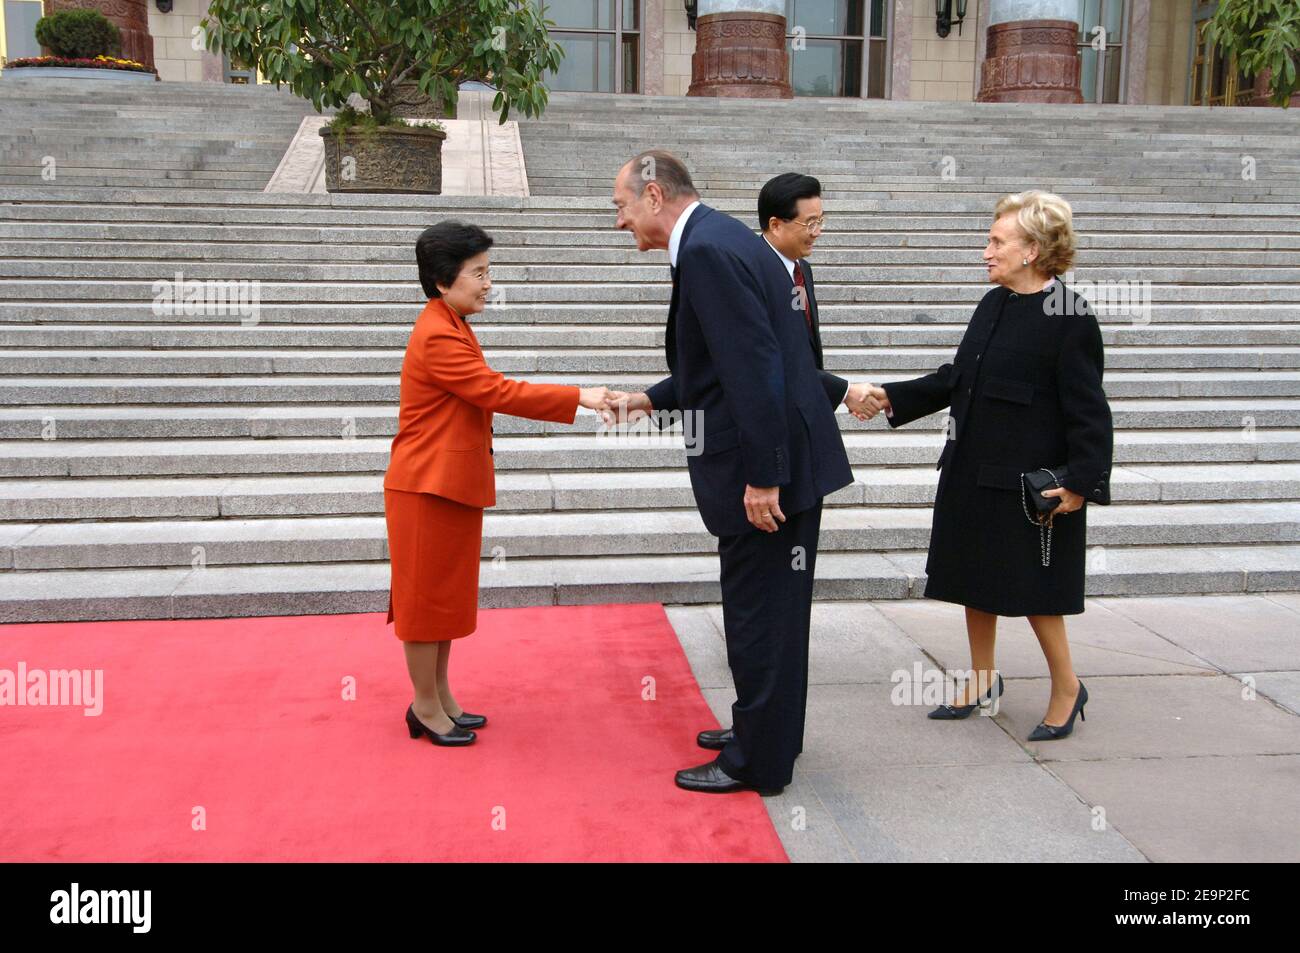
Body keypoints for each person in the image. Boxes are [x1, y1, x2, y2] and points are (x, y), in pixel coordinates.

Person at [611, 151, 854, 795]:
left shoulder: (708, 252)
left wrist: (764, 476)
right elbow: (730, 360)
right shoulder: (723, 237)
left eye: (622, 206)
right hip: (788, 456)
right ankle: (767, 729)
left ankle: (758, 760)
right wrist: (653, 398)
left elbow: (755, 371)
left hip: (774, 470)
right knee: (772, 612)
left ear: (654, 195)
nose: (620, 221)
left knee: (759, 616)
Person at [861, 190, 1113, 740]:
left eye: (997, 241)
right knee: (975, 579)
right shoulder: (993, 302)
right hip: (973, 471)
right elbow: (959, 378)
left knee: (1036, 592)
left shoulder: (1070, 317)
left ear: (1032, 250)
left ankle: (1068, 688)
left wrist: (1080, 482)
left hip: (1030, 488)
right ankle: (981, 681)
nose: (986, 251)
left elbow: (1089, 410)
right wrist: (890, 395)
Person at [385, 221, 616, 747]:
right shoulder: (439, 332)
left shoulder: (453, 321)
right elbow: (494, 391)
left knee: (443, 599)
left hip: (449, 482)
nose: (488, 284)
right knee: (425, 605)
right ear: (444, 282)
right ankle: (424, 705)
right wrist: (579, 395)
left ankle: (440, 696)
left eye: (489, 272)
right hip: (426, 485)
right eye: (479, 274)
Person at [756, 171, 884, 421]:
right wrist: (845, 392)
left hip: (803, 409)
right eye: (810, 223)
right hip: (768, 417)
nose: (817, 232)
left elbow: (804, 348)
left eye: (821, 221)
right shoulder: (750, 272)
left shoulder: (802, 269)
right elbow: (771, 355)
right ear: (775, 225)